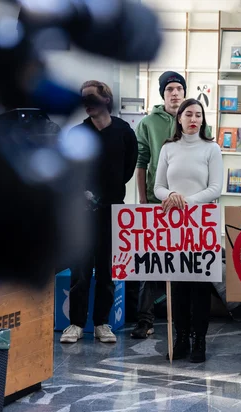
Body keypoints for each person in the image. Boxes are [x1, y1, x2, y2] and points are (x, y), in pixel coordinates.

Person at [133, 71, 213, 339]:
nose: (175, 93)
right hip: (160, 202)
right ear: (162, 94)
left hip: (194, 209)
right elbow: (141, 161)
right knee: (151, 263)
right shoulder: (148, 123)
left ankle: (189, 328)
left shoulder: (200, 122)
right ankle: (144, 320)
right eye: (170, 89)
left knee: (186, 269)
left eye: (179, 88)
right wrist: (144, 201)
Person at [60, 80, 138, 344]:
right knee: (80, 269)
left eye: (92, 97)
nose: (86, 102)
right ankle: (76, 323)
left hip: (112, 210)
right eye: (83, 98)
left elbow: (128, 169)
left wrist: (109, 192)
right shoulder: (76, 134)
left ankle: (102, 322)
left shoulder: (124, 131)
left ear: (106, 99)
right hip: (81, 212)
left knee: (106, 268)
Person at [154, 98, 223, 363]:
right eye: (189, 115)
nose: (194, 119)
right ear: (179, 118)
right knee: (178, 286)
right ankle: (181, 337)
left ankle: (199, 341)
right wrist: (171, 194)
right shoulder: (168, 148)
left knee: (200, 288)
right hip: (173, 227)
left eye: (198, 115)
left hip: (202, 225)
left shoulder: (211, 148)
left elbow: (216, 188)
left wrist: (187, 201)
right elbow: (158, 186)